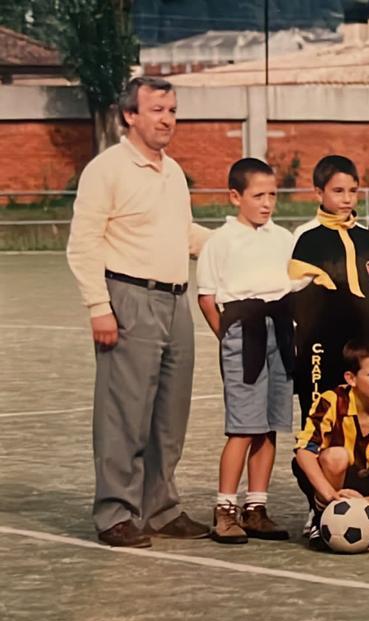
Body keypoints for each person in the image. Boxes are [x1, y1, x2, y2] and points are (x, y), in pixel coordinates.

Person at [66, 77, 212, 547]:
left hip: (176, 301)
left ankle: (161, 509)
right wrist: (99, 307)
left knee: (170, 416)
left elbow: (182, 234)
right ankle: (114, 513)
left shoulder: (171, 172)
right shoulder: (106, 169)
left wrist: (241, 242)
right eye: (158, 110)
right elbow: (83, 243)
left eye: (173, 110)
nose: (168, 119)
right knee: (124, 415)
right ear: (130, 115)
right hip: (127, 299)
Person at [196, 158, 296, 544]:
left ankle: (256, 507)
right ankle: (225, 508)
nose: (267, 203)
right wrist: (229, 339)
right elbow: (207, 299)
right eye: (258, 195)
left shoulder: (282, 238)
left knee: (269, 426)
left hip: (280, 332)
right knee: (243, 427)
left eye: (272, 195)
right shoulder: (220, 241)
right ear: (235, 196)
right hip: (242, 331)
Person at [290, 155, 369, 409]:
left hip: (362, 343)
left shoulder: (367, 238)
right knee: (320, 416)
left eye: (353, 191)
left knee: (361, 412)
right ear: (319, 192)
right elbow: (297, 299)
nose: (347, 198)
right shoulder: (307, 238)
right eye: (338, 191)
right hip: (320, 346)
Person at [293, 340, 369, 552]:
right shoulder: (332, 401)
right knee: (337, 456)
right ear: (351, 378)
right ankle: (321, 516)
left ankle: (368, 515)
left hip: (366, 477)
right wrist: (328, 493)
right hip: (329, 475)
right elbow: (304, 452)